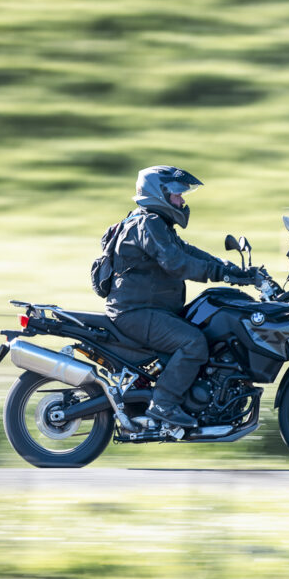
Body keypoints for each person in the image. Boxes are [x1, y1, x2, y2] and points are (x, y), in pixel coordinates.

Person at [105, 165, 256, 428]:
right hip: (136, 312)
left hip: (147, 310)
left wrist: (231, 269)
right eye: (176, 194)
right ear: (158, 193)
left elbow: (189, 252)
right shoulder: (148, 223)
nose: (182, 200)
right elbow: (177, 263)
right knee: (194, 343)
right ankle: (164, 404)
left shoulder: (156, 224)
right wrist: (223, 273)